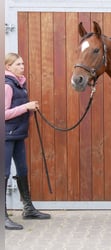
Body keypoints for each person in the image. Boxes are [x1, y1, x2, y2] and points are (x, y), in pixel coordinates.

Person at [4, 52, 51, 230]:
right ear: (8, 68)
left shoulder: (20, 84)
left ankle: (28, 208)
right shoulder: (7, 86)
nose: (22, 67)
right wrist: (26, 107)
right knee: (5, 173)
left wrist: (30, 109)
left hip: (17, 135)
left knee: (22, 170)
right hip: (6, 136)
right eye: (17, 64)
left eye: (22, 64)